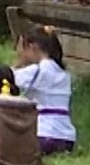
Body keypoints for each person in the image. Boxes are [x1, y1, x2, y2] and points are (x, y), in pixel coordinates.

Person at [14, 26, 77, 156]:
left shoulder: (37, 71)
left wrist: (18, 63)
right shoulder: (64, 73)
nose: (19, 53)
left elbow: (1, 76)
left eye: (22, 48)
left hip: (44, 135)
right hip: (67, 138)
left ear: (33, 47)